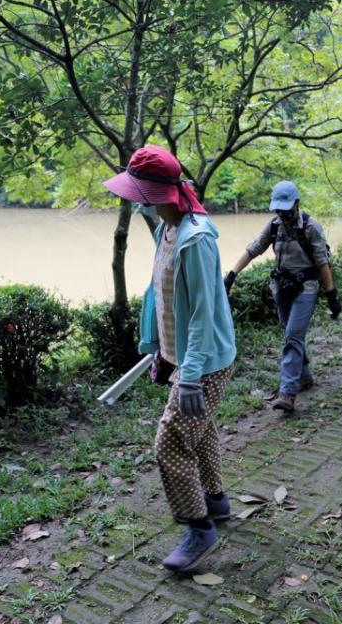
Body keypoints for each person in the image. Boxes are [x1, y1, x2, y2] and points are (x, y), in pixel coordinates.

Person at [103, 145, 236, 573]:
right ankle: (216, 502)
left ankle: (199, 530)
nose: (135, 199)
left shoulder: (196, 240)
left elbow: (201, 311)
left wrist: (191, 374)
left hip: (205, 362)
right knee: (200, 430)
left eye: (140, 192)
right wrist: (160, 349)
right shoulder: (167, 228)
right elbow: (159, 296)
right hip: (185, 358)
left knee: (171, 442)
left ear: (160, 193)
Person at [225, 181, 341, 414]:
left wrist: (331, 295)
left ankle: (287, 392)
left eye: (286, 208)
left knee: (292, 337)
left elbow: (322, 262)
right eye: (278, 209)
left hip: (306, 289)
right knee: (292, 334)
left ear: (296, 203)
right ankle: (305, 376)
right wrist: (231, 275)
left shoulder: (311, 227)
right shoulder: (274, 226)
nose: (282, 213)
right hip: (281, 288)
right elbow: (253, 249)